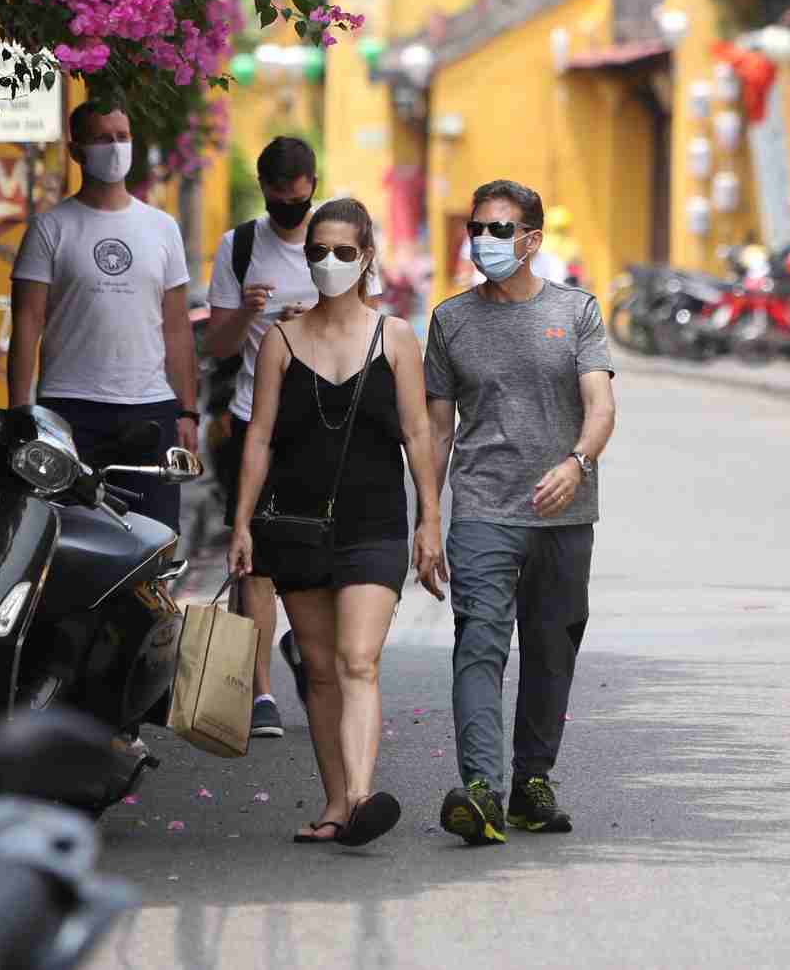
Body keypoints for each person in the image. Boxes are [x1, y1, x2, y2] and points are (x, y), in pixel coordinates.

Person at [227, 199, 445, 847]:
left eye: (344, 251)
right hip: (294, 522)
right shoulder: (281, 340)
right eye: (317, 250)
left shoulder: (396, 338)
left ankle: (359, 795)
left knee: (358, 659)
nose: (329, 262)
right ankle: (335, 801)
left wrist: (429, 518)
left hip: (375, 522)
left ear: (368, 255)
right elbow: (259, 438)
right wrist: (241, 523)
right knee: (320, 666)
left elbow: (416, 431)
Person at [427, 179, 616, 844]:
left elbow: (600, 405)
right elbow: (436, 430)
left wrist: (577, 462)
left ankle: (533, 782)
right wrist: (428, 517)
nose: (483, 240)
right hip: (482, 507)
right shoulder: (450, 320)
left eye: (499, 230)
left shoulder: (578, 310)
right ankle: (481, 789)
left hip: (565, 514)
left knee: (551, 648)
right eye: (476, 228)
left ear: (532, 240)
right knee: (479, 641)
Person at [204, 136, 357, 739]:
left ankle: (305, 646)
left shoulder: (334, 244)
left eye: (302, 195)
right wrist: (247, 314)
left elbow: (360, 319)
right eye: (281, 196)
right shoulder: (239, 246)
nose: (293, 205)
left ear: (314, 183)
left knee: (330, 554)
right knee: (257, 559)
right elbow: (214, 345)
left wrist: (312, 322)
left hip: (324, 421)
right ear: (266, 189)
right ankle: (260, 691)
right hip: (253, 417)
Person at [9, 100, 198, 535]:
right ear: (77, 151)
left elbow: (177, 327)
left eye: (122, 137)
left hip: (150, 409)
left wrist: (187, 412)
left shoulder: (162, 228)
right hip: (68, 410)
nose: (115, 148)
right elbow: (27, 324)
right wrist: (22, 414)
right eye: (102, 139)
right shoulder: (49, 228)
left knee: (153, 542)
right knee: (67, 540)